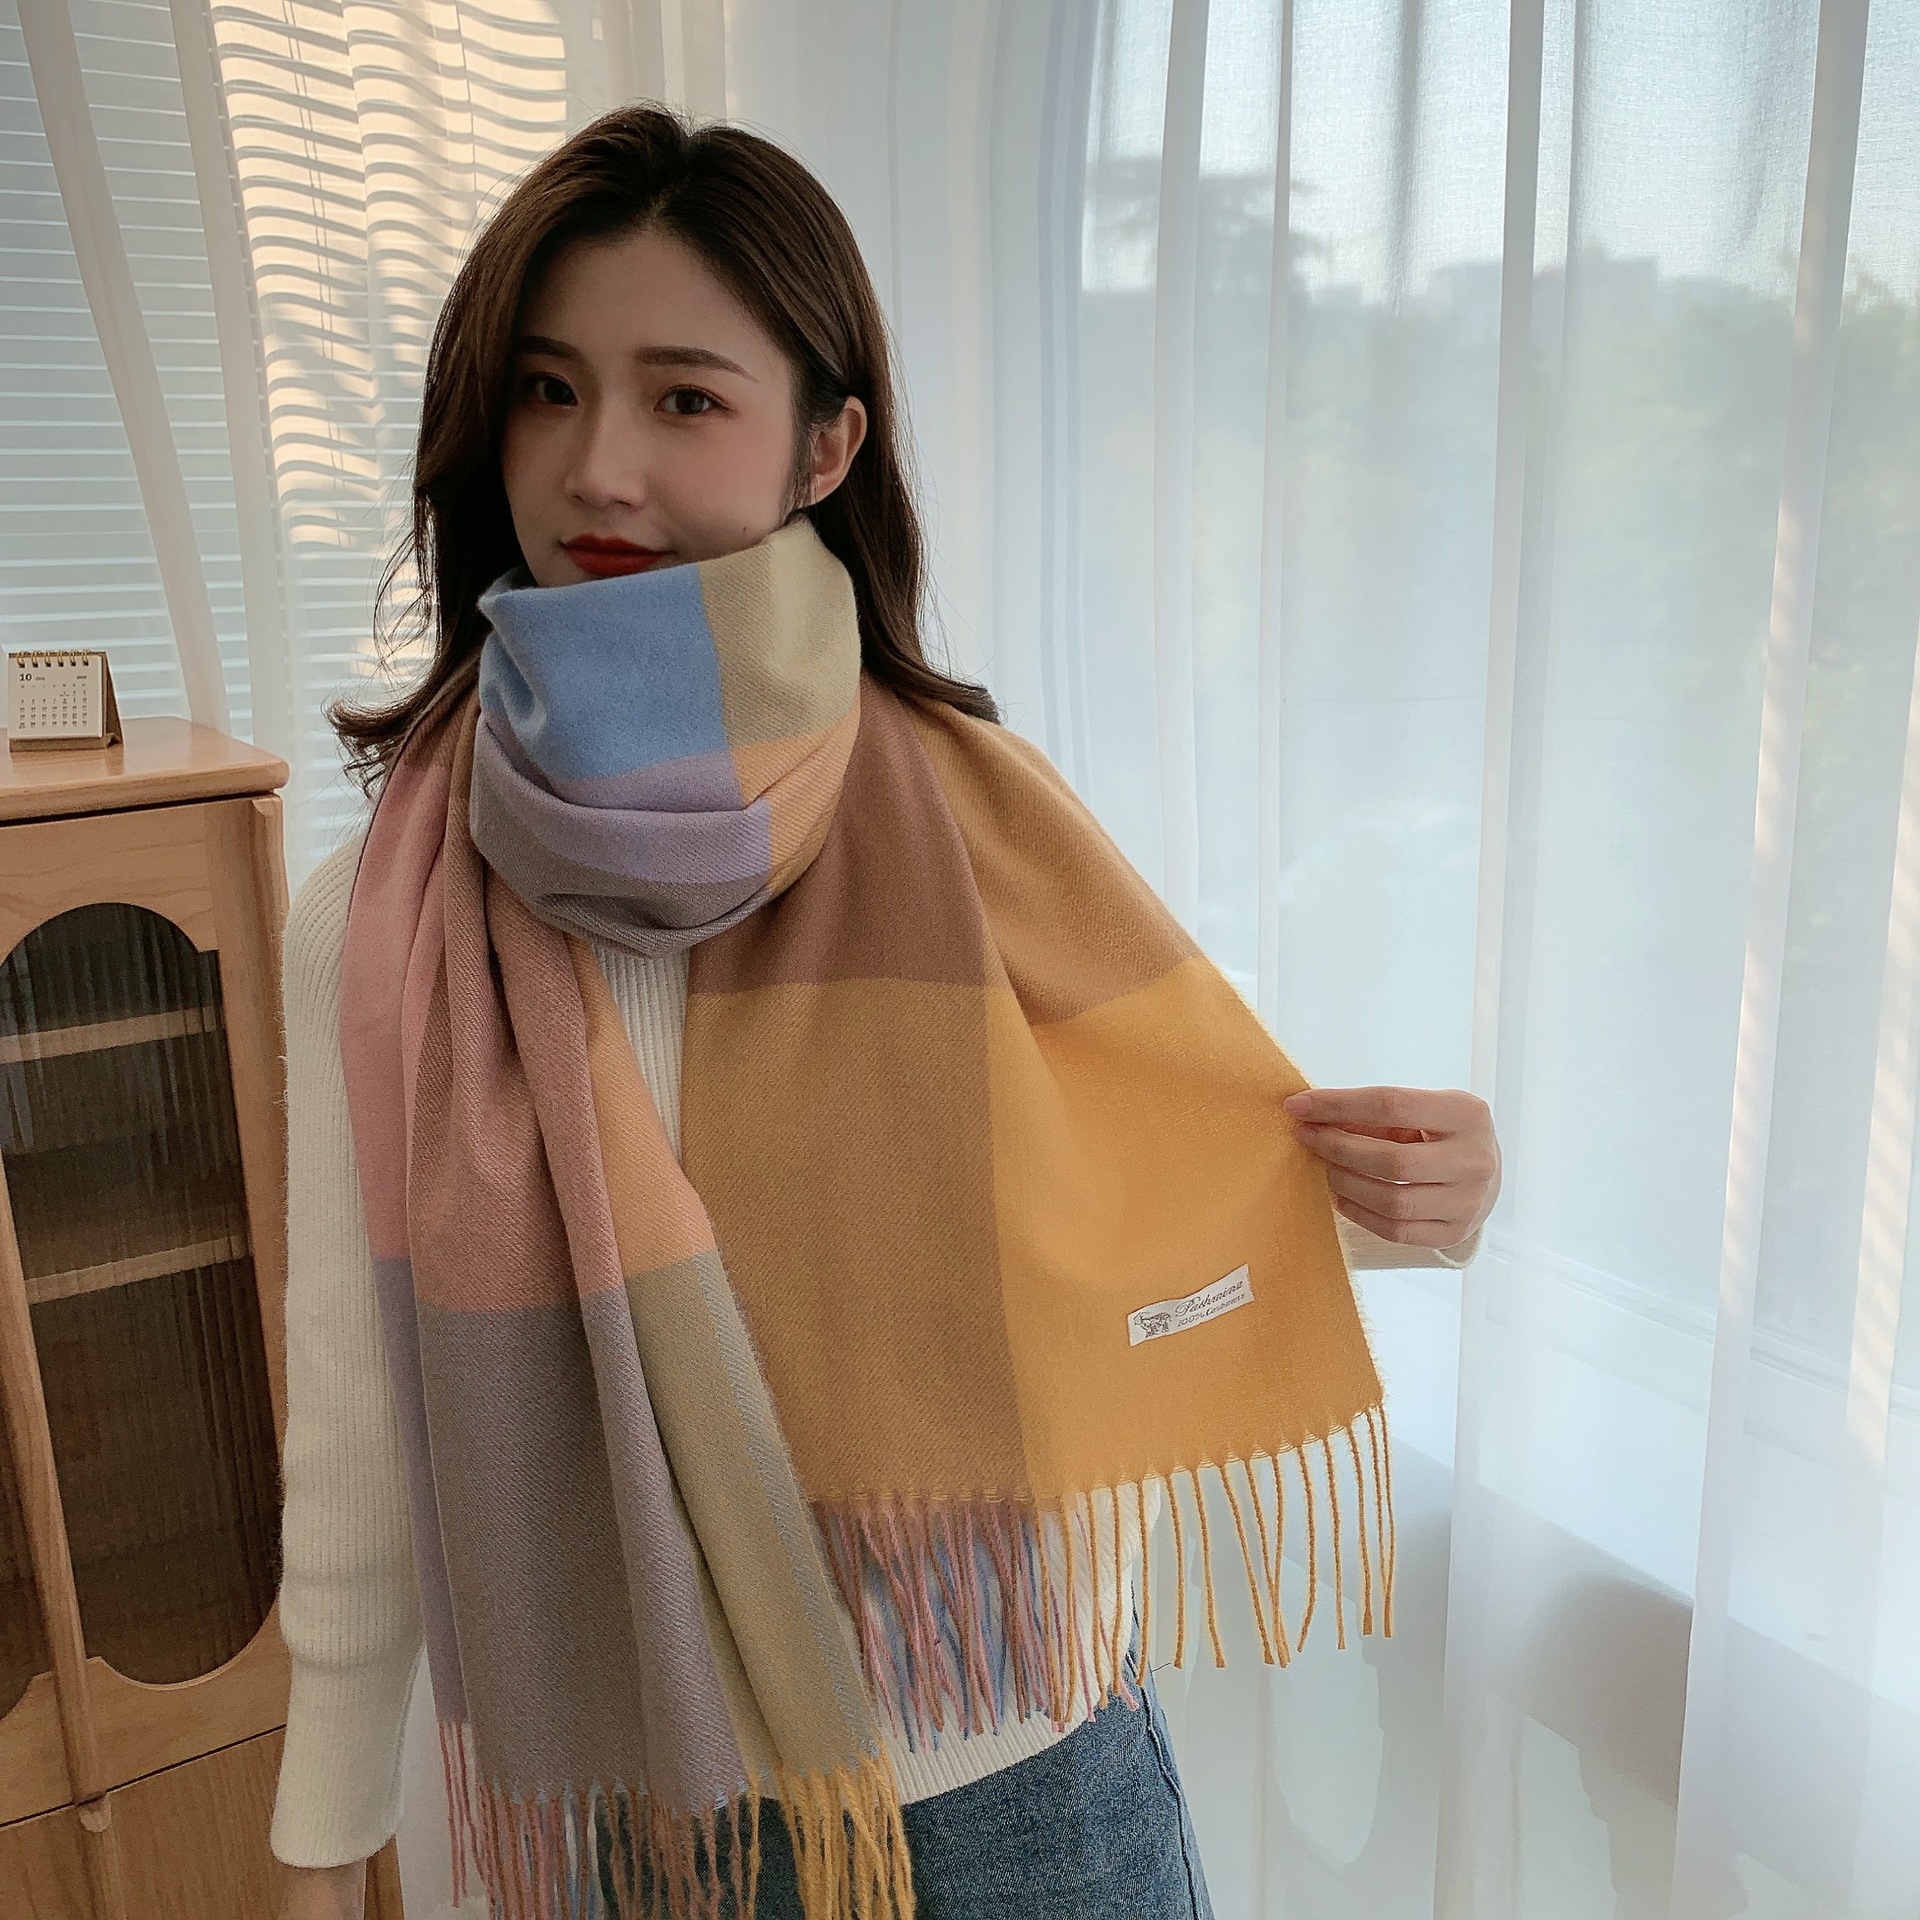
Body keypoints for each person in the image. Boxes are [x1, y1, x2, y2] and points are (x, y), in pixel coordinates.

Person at [270, 104, 1500, 1920]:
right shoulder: (378, 921)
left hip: (1029, 1791)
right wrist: (320, 1841)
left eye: (686, 398)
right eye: (547, 390)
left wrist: (1426, 1200)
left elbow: (1131, 1200)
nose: (600, 464)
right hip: (663, 1818)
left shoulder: (978, 826)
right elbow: (363, 1412)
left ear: (825, 444)